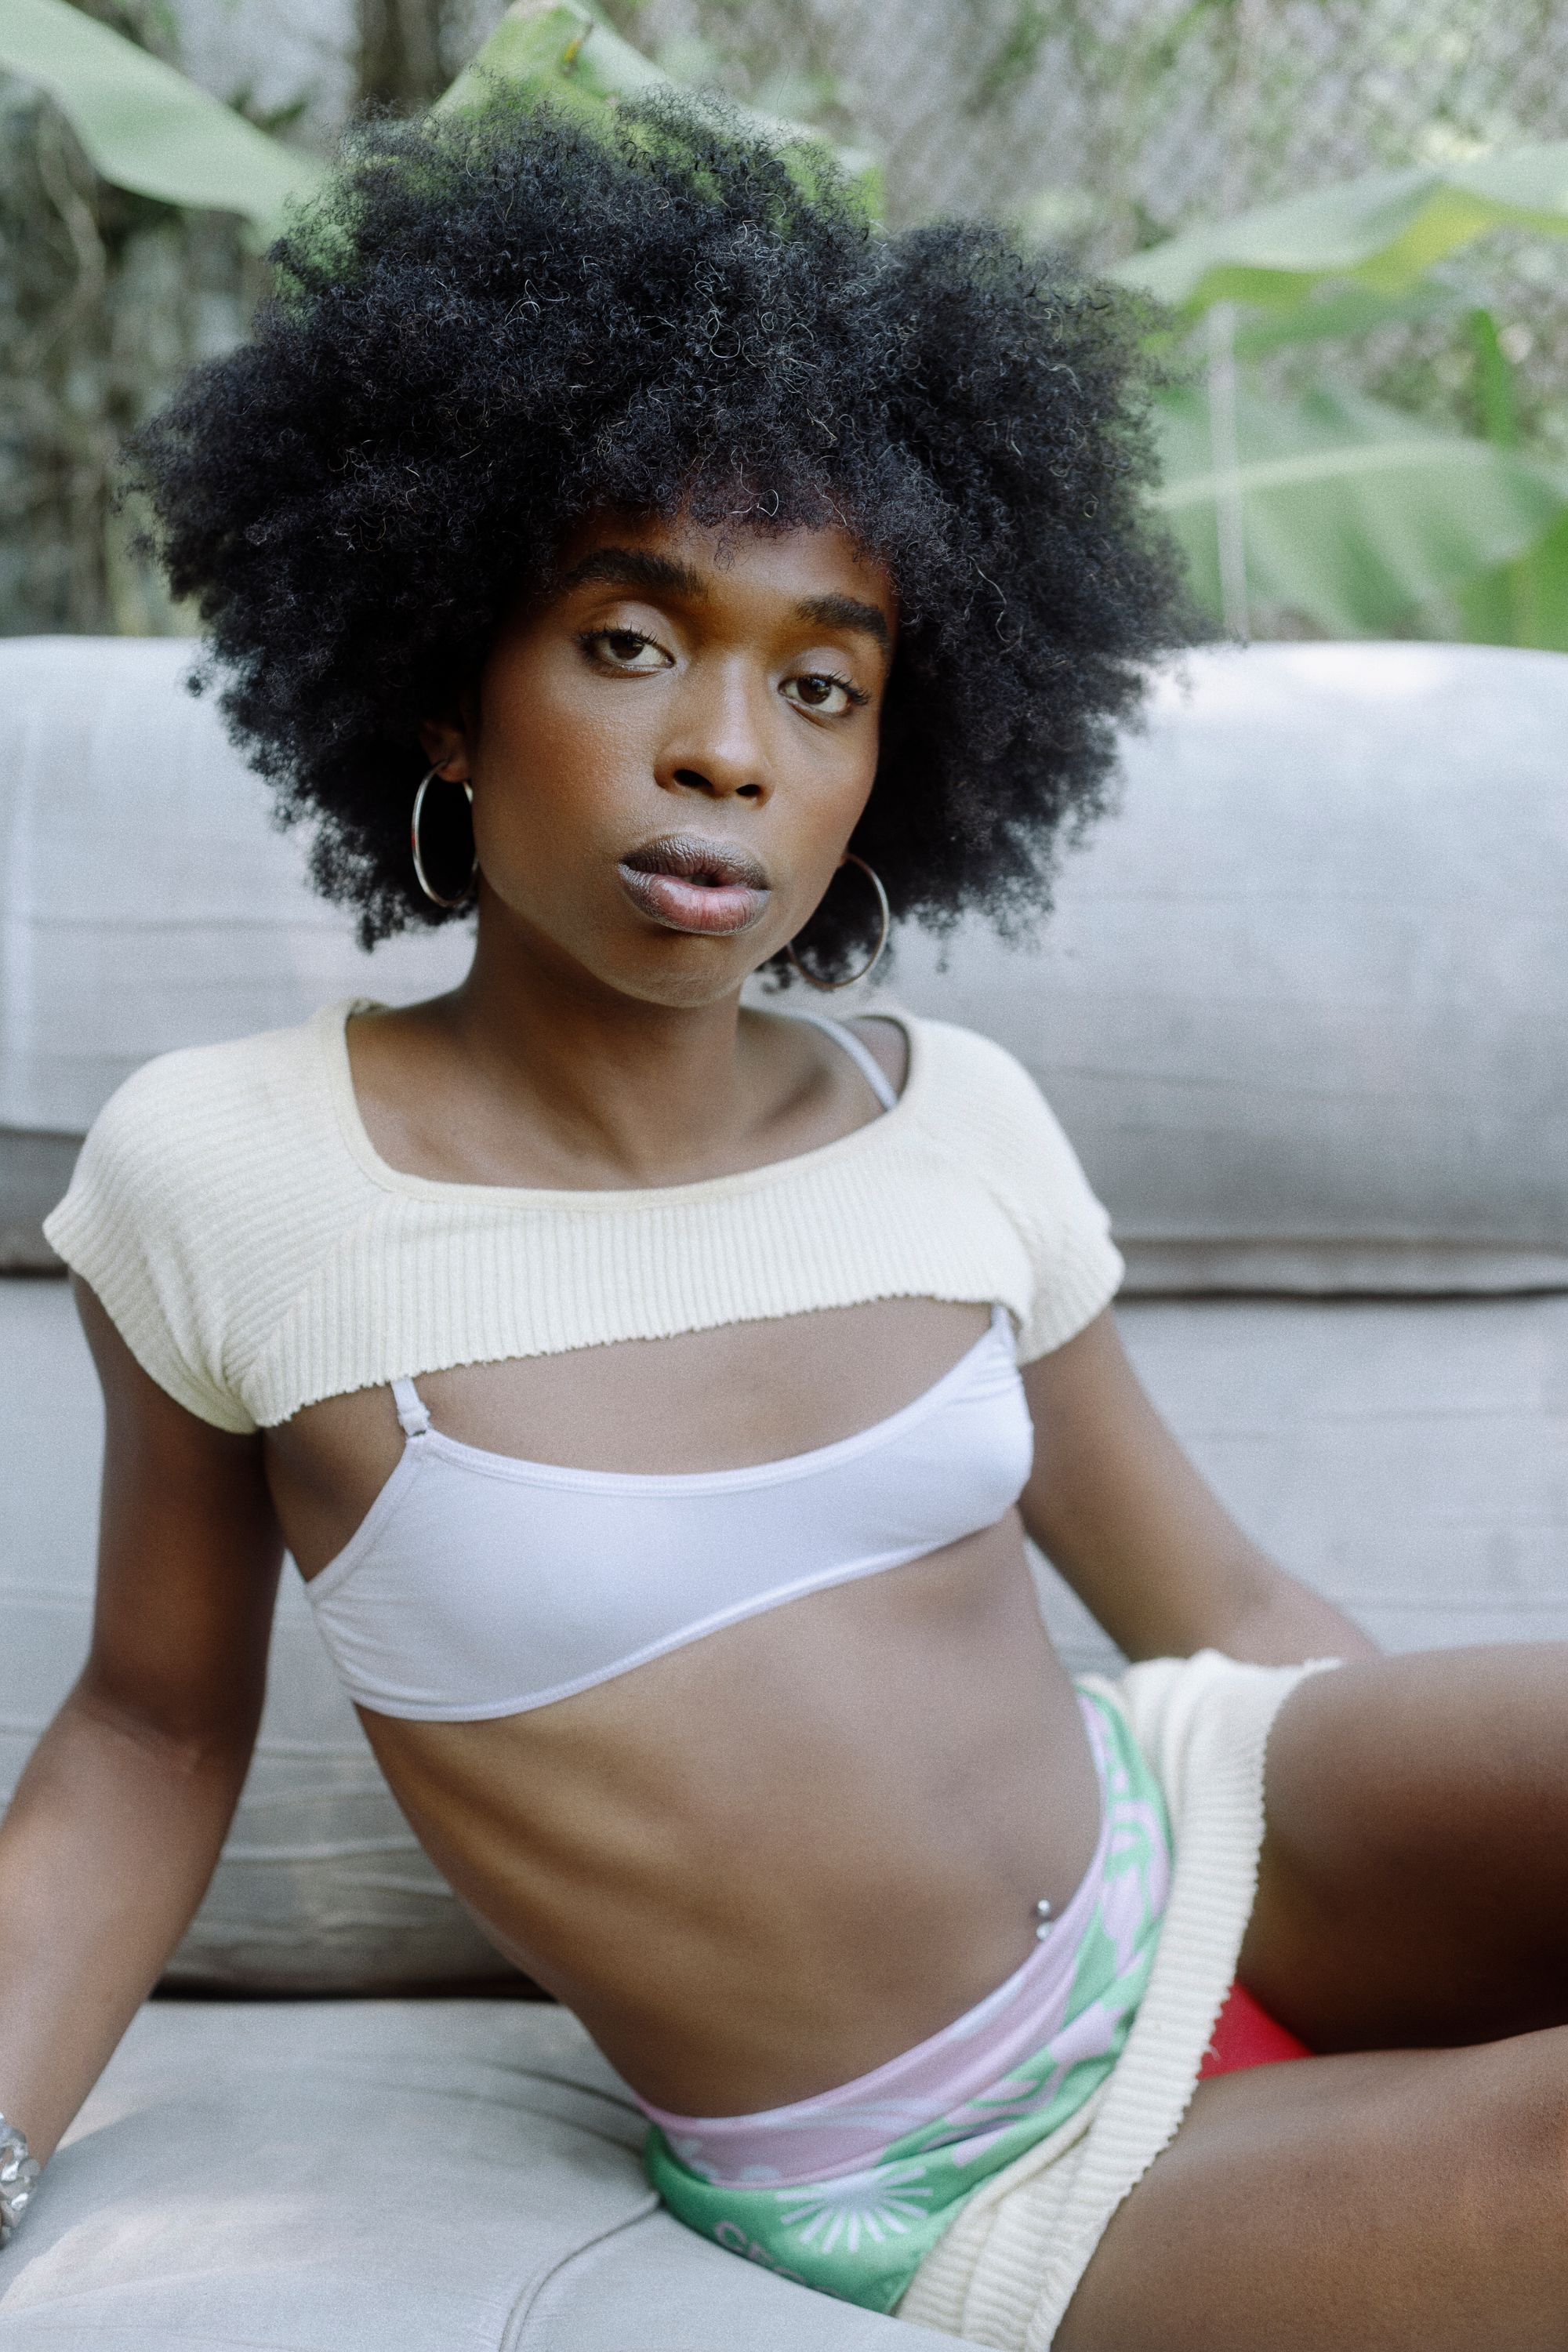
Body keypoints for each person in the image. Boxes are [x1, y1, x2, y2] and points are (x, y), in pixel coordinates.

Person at [1, 91, 1565, 2352]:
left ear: (889, 759)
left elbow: (1212, 1602)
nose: (728, 748)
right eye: (631, 642)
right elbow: (150, 1736)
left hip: (1217, 1836)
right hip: (933, 2155)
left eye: (820, 682)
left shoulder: (963, 1118)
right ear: (447, 688)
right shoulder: (227, 1175)